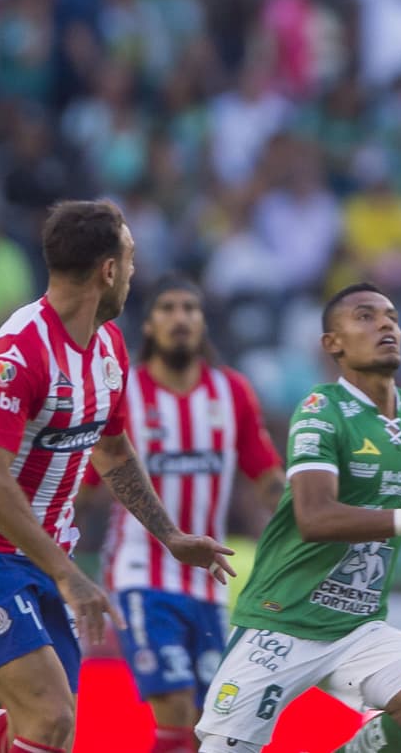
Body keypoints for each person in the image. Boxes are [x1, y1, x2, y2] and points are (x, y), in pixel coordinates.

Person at [0, 200, 235, 753]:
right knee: (48, 717)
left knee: (45, 731)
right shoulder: (18, 353)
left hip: (42, 557)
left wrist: (172, 536)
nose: (134, 275)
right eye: (131, 261)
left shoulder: (108, 347)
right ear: (108, 270)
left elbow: (112, 452)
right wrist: (68, 575)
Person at [195, 283, 401, 753]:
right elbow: (314, 517)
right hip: (283, 620)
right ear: (332, 343)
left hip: (356, 625)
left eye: (392, 317)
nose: (385, 324)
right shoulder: (322, 411)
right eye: (365, 316)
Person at [81, 275, 283, 753]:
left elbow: (265, 474)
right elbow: (86, 486)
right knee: (173, 713)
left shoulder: (229, 391)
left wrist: (307, 514)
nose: (180, 318)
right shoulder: (123, 393)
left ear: (203, 322)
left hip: (207, 583)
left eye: (190, 309)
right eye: (168, 308)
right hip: (140, 575)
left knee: (205, 725)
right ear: (150, 324)